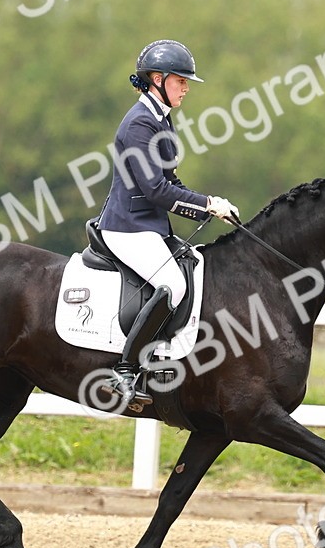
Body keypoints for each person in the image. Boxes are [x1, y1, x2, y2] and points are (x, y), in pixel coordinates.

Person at [97, 39, 239, 405]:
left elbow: (171, 181)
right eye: (181, 80)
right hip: (127, 227)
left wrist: (209, 205)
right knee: (173, 285)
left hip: (148, 225)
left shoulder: (160, 118)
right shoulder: (139, 124)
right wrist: (206, 205)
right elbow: (156, 189)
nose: (186, 87)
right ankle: (125, 372)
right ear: (157, 79)